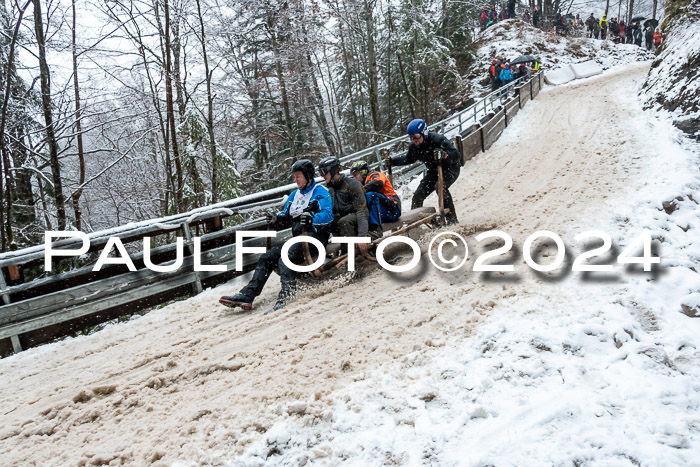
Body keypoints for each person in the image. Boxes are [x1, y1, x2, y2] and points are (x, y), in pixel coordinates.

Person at [219, 159, 333, 313]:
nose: (295, 179)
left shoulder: (320, 192)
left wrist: (313, 219)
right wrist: (276, 219)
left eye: (298, 176)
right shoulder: (294, 195)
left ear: (308, 175)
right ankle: (248, 295)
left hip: (315, 238)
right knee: (267, 257)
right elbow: (285, 215)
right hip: (298, 239)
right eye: (294, 176)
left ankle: (287, 296)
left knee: (285, 258)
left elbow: (328, 215)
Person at [383, 119, 461, 225]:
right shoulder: (414, 147)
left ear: (423, 133)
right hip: (433, 172)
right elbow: (408, 159)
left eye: (416, 136)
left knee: (440, 187)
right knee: (418, 195)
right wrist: (393, 161)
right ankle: (414, 224)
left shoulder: (438, 140)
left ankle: (452, 219)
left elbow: (456, 155)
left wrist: (445, 156)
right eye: (411, 137)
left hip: (450, 169)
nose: (414, 140)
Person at [317, 156, 375, 254]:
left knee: (344, 221)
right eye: (320, 173)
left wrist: (362, 237)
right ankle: (323, 251)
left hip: (358, 217)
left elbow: (362, 212)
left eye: (323, 172)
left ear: (332, 170)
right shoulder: (331, 189)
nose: (322, 176)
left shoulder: (352, 184)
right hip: (344, 220)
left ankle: (349, 254)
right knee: (325, 221)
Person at [350, 161, 401, 234]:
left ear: (363, 172)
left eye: (356, 175)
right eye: (353, 176)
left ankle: (375, 228)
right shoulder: (361, 185)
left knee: (370, 195)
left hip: (394, 209)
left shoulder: (375, 175)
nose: (354, 178)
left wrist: (360, 191)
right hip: (382, 213)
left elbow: (379, 183)